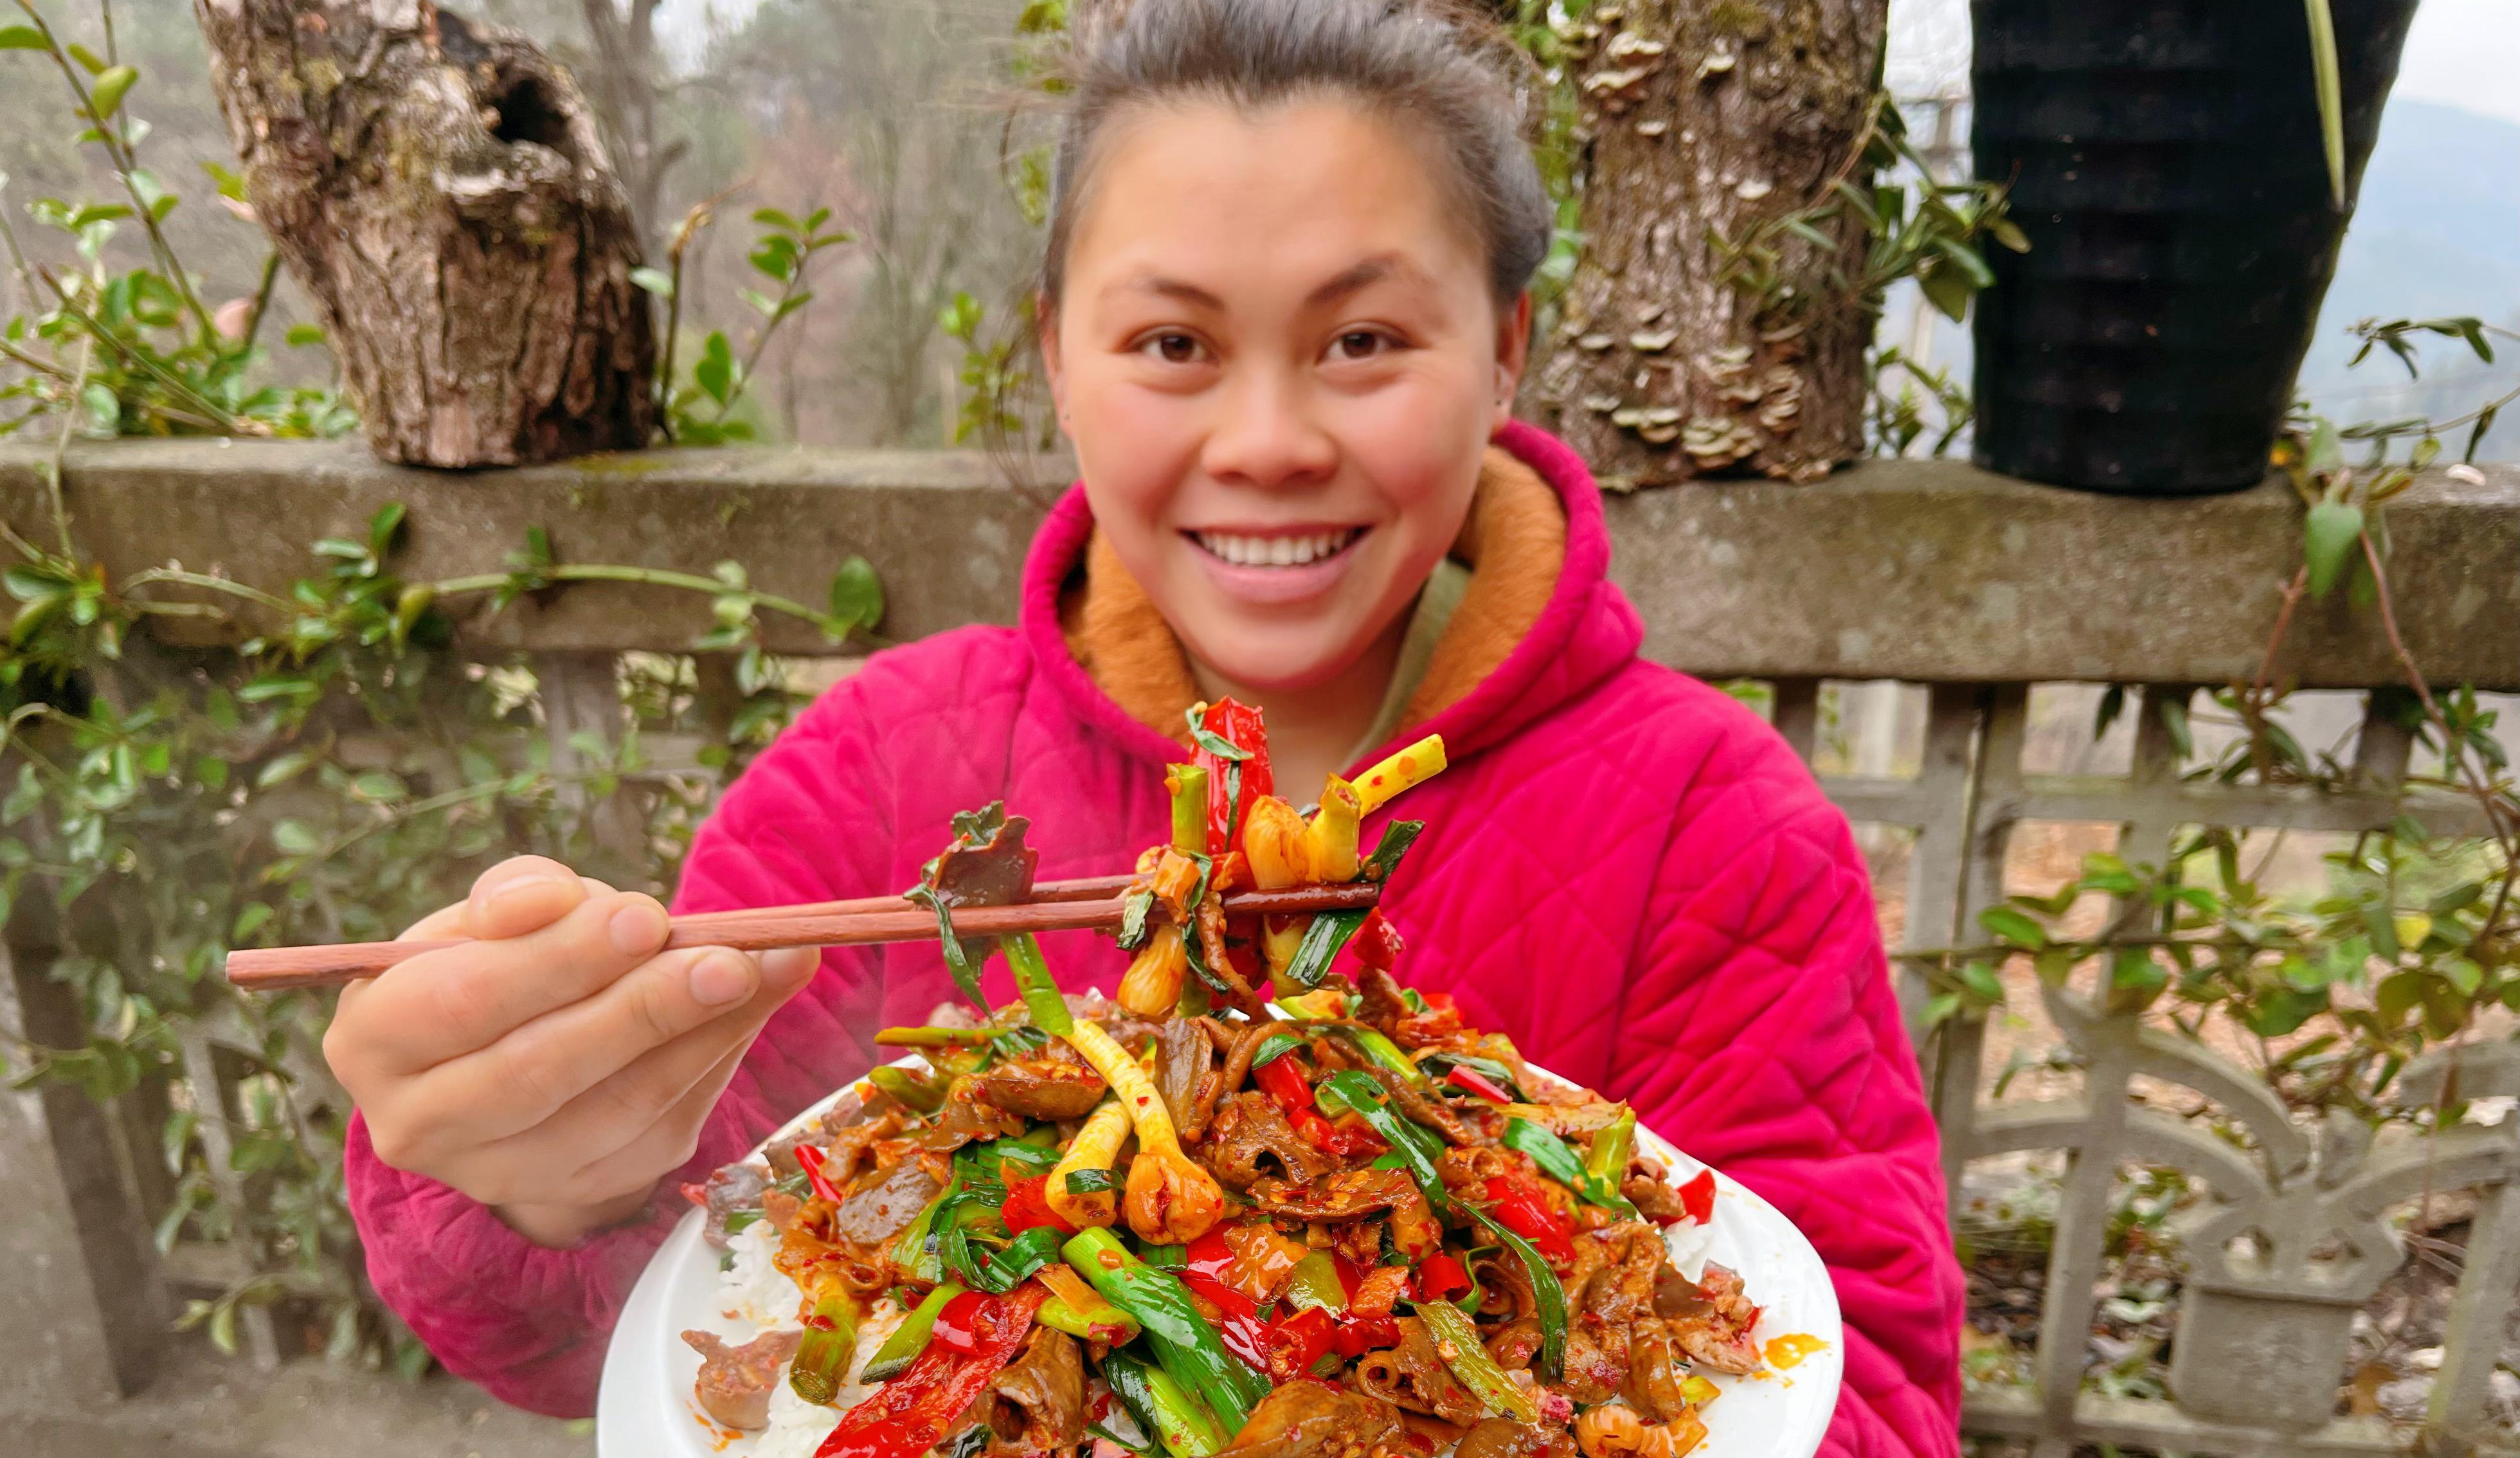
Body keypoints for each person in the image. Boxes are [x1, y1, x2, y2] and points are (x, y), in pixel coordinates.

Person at [329, 1, 1963, 1450]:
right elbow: (641, 1324)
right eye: (1174, 343)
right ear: (1057, 356)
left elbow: (1857, 1378)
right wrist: (544, 1174)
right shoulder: (876, 771)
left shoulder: (1712, 821)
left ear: (1508, 352)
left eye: (1365, 342)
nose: (1267, 442)